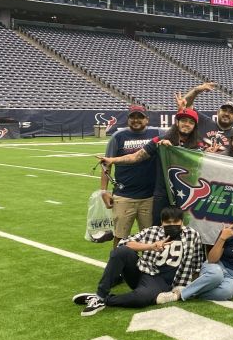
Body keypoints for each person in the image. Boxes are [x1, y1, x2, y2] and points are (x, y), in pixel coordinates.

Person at [72, 206, 205, 316]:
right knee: (121, 252)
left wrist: (188, 289)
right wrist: (151, 246)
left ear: (182, 222)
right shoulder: (153, 231)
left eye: (175, 222)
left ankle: (103, 300)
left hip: (161, 281)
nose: (172, 225)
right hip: (142, 271)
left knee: (140, 299)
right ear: (162, 222)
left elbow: (197, 264)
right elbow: (125, 243)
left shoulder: (192, 235)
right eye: (167, 222)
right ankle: (100, 295)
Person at [97, 108, 209, 223]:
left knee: (186, 229)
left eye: (191, 122)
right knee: (158, 230)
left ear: (195, 126)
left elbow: (206, 168)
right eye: (184, 120)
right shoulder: (160, 141)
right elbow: (136, 156)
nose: (187, 124)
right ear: (177, 122)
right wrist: (113, 160)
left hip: (188, 195)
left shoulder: (199, 145)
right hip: (162, 195)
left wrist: (211, 154)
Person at [159, 203, 233, 303]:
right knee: (216, 275)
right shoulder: (228, 232)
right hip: (216, 267)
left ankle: (186, 290)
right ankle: (177, 295)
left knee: (226, 292)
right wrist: (222, 238)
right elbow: (212, 259)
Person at [100, 104, 159, 246]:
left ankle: (147, 267)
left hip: (150, 197)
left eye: (140, 117)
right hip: (124, 196)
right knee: (120, 237)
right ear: (128, 119)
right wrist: (103, 190)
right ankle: (117, 266)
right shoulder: (118, 136)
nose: (136, 120)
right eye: (133, 117)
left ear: (147, 119)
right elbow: (106, 163)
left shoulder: (157, 133)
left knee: (150, 237)